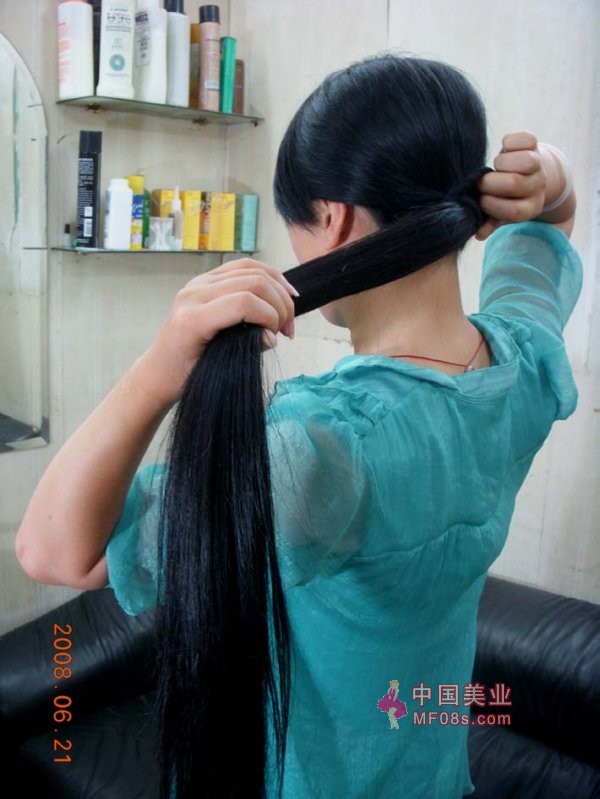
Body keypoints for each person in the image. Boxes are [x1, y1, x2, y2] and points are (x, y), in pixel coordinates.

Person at [15, 54, 581, 799]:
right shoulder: (523, 367)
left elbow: (54, 549)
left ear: (332, 217)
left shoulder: (321, 453)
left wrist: (161, 362)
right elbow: (551, 224)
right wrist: (549, 173)